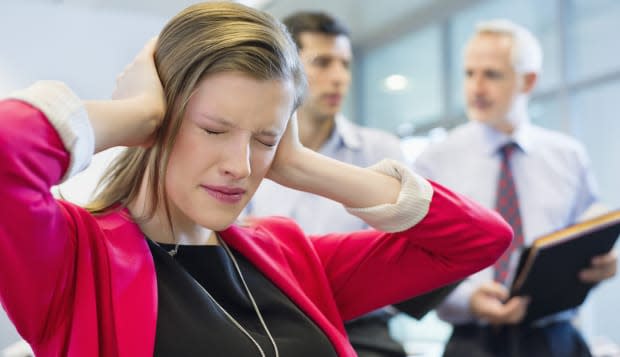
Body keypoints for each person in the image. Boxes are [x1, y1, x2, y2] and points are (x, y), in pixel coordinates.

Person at [0, 3, 512, 357]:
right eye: (213, 129)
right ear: (162, 120)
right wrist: (132, 114)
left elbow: (478, 240)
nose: (241, 166)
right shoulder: (73, 260)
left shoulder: (291, 256)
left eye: (265, 139)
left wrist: (301, 166)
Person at [246, 11, 457, 357]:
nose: (339, 77)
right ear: (289, 69)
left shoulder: (381, 150)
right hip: (277, 326)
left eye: (345, 64)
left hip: (364, 330)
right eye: (324, 63)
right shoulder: (254, 151)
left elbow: (407, 243)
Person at [413, 19, 618, 357]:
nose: (476, 88)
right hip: (472, 341)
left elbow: (590, 230)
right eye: (469, 74)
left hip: (555, 340)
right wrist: (468, 300)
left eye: (491, 74)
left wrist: (607, 260)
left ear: (528, 80)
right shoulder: (435, 161)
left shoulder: (566, 155)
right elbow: (418, 260)